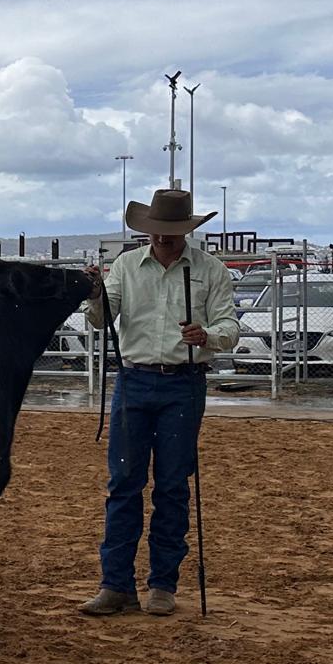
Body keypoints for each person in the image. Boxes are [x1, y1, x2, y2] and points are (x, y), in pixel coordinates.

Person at [81, 189, 238, 616]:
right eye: (158, 234)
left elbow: (229, 323)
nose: (164, 241)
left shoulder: (211, 270)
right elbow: (99, 319)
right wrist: (94, 292)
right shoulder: (127, 267)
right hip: (134, 380)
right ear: (148, 231)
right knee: (123, 486)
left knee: (171, 486)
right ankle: (116, 584)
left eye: (171, 234)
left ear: (184, 232)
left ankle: (162, 585)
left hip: (184, 384)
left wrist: (208, 335)